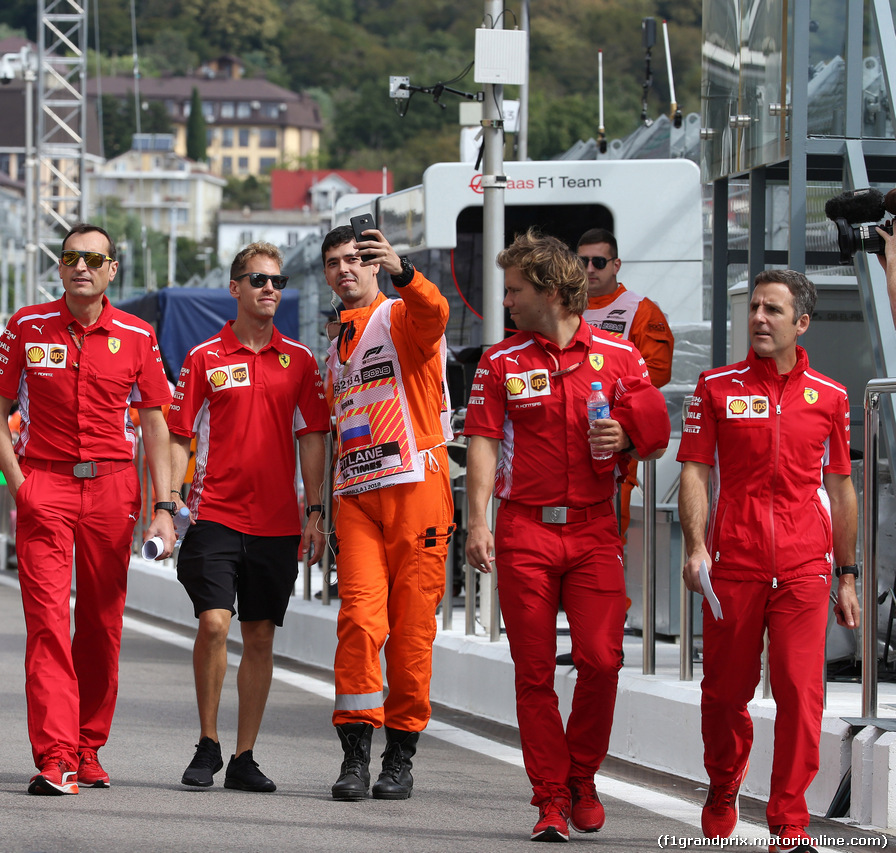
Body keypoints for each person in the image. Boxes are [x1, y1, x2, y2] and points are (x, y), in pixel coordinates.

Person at [463, 229, 669, 842]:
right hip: (523, 528)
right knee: (533, 673)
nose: (507, 302)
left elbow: (653, 434)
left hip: (593, 529)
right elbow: (482, 444)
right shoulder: (500, 362)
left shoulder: (621, 357)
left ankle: (582, 777)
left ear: (551, 292)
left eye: (515, 290)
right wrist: (477, 523)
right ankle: (550, 797)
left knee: (601, 661)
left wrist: (626, 440)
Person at [0, 223, 178, 796]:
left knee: (99, 623)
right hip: (45, 485)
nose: (81, 267)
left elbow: (155, 422)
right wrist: (18, 485)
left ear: (112, 268)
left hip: (114, 490)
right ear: (60, 267)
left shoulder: (137, 335)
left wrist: (164, 507)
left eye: (94, 258)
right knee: (46, 623)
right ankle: (55, 755)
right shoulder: (27, 325)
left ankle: (89, 745)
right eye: (71, 257)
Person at [678, 269, 858, 853]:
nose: (758, 318)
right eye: (754, 307)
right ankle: (724, 787)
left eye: (772, 310)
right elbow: (696, 471)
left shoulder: (830, 397)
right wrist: (697, 546)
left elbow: (843, 486)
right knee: (726, 693)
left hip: (807, 565)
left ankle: (789, 820)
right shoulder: (715, 386)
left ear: (800, 323)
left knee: (801, 694)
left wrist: (848, 573)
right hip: (733, 561)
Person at [168, 242, 329, 792]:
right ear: (234, 287)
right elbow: (177, 434)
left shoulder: (302, 360)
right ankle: (208, 744)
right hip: (213, 514)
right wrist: (167, 504)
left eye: (278, 281)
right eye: (258, 280)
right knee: (215, 622)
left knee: (259, 636)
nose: (269, 289)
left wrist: (315, 510)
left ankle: (243, 756)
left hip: (279, 522)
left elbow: (312, 436)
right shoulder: (204, 356)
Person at [321, 223, 454, 802]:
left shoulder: (399, 316)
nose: (345, 269)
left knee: (411, 633)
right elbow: (336, 434)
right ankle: (354, 756)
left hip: (415, 488)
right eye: (334, 263)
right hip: (357, 498)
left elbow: (435, 314)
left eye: (356, 259)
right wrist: (323, 509)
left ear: (374, 264)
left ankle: (399, 757)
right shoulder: (334, 348)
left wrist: (405, 272)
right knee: (358, 623)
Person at [576, 228, 675, 538]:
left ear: (616, 265)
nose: (589, 269)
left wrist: (605, 388)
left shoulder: (640, 309)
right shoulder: (564, 306)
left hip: (612, 430)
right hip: (565, 430)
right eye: (582, 262)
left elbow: (657, 371)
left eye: (598, 262)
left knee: (608, 528)